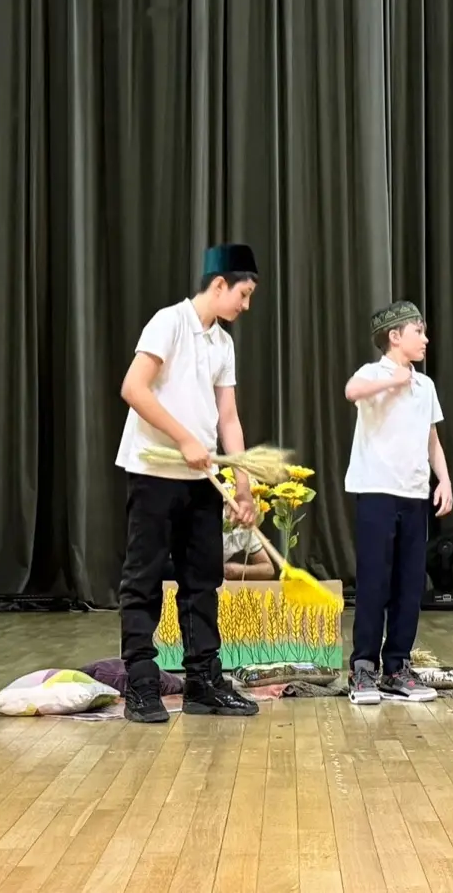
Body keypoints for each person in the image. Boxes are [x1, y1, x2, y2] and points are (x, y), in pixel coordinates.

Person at [116, 243, 263, 724]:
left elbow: (229, 417)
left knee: (202, 581)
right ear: (219, 285)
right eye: (243, 293)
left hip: (202, 479)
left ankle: (203, 682)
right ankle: (141, 684)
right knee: (144, 579)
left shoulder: (223, 344)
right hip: (154, 472)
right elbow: (133, 388)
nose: (246, 305)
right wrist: (183, 438)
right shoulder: (169, 322)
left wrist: (242, 485)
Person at [343, 301, 453, 705]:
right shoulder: (372, 374)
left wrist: (444, 480)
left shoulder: (425, 386)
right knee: (375, 582)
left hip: (414, 494)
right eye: (417, 332)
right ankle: (363, 668)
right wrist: (392, 381)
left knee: (409, 584)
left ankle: (397, 667)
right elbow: (351, 391)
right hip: (377, 491)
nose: (425, 339)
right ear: (395, 336)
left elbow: (431, 439)